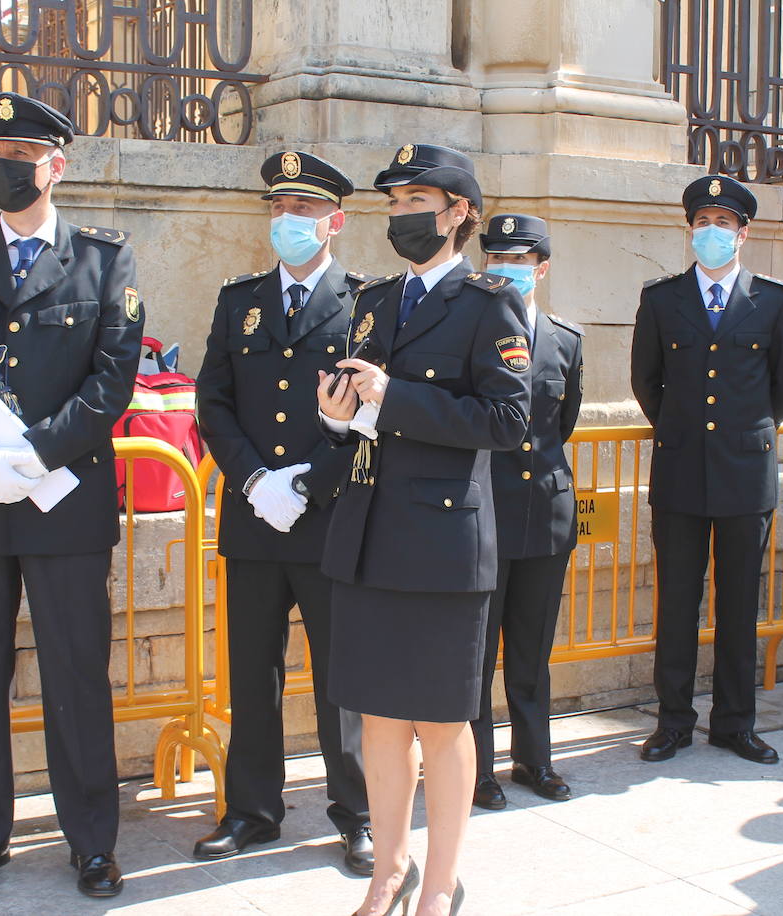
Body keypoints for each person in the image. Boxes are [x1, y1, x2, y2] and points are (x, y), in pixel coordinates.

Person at [0, 92, 143, 898]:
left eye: (22, 155)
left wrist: (35, 454)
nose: (6, 167)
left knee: (77, 675)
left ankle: (92, 843)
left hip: (64, 503)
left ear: (56, 166)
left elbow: (112, 382)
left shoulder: (103, 261)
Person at [316, 143, 531, 916]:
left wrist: (393, 396)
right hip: (370, 532)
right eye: (394, 203)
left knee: (440, 722)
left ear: (459, 212)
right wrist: (338, 417)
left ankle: (440, 883)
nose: (401, 215)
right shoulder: (375, 300)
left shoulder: (489, 303)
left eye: (416, 202)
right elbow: (367, 416)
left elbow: (507, 421)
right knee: (378, 717)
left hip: (443, 542)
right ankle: (390, 870)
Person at [193, 151, 372, 872]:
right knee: (252, 675)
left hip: (328, 520)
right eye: (277, 208)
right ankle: (251, 811)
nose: (286, 220)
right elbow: (213, 400)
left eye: (302, 210)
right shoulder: (240, 299)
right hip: (255, 519)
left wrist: (307, 484)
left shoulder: (365, 304)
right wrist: (254, 481)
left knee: (341, 680)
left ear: (335, 221)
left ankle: (357, 815)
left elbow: (369, 418)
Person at [629, 174, 783, 766]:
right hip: (680, 470)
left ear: (742, 233)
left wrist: (740, 433)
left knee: (738, 605)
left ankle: (735, 723)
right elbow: (646, 380)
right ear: (689, 230)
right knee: (677, 603)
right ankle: (673, 722)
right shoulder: (662, 298)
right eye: (702, 223)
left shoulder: (775, 300)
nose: (712, 232)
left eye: (723, 223)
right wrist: (681, 429)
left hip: (744, 474)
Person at [470, 214, 583, 809]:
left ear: (541, 269)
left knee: (531, 651)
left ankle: (534, 760)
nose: (506, 270)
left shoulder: (566, 339)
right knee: (476, 654)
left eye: (519, 260)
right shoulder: (469, 329)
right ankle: (475, 770)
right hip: (483, 513)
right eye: (497, 259)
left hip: (543, 513)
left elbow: (561, 424)